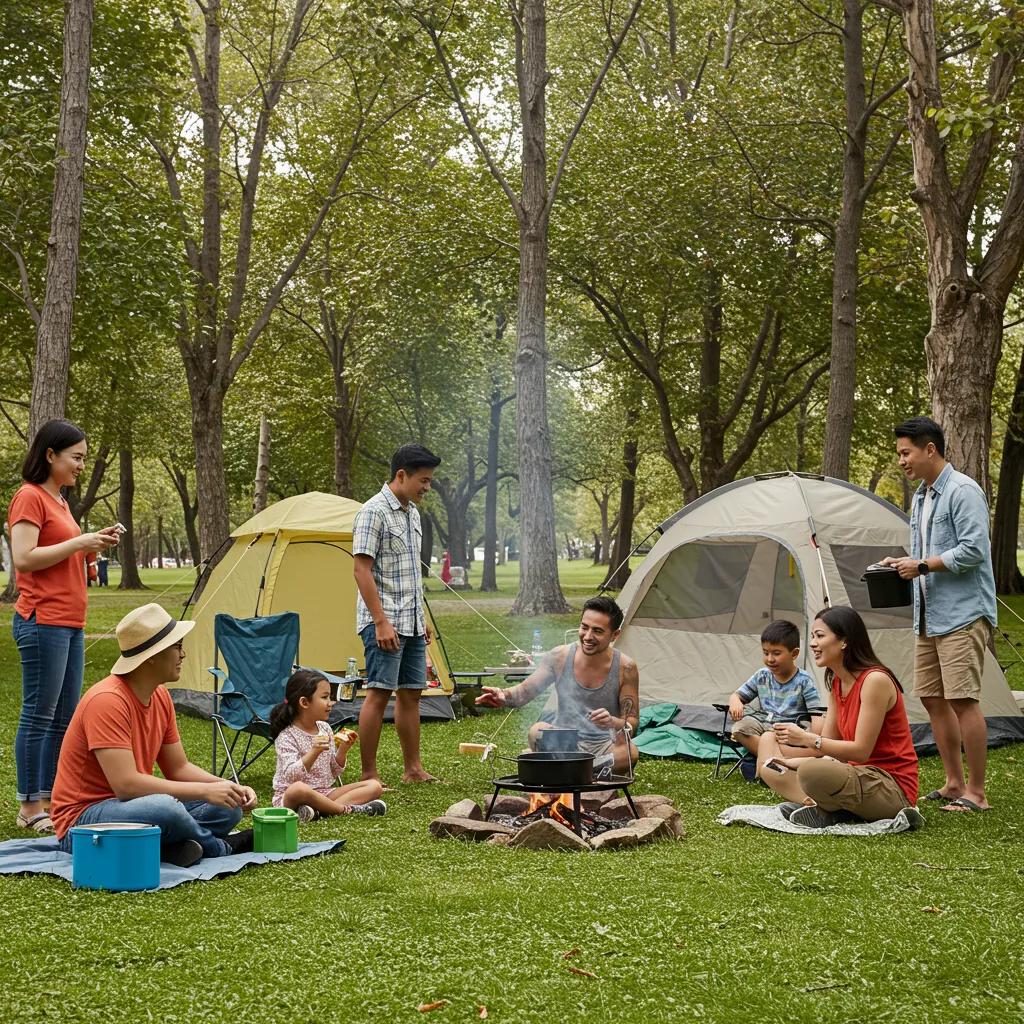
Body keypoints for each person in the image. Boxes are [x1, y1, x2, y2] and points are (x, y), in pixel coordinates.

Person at [50, 604, 259, 867]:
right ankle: (219, 848)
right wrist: (205, 792)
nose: (183, 654)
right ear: (151, 655)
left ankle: (171, 847)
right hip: (82, 824)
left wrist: (226, 787)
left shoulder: (159, 695)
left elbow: (178, 767)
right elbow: (125, 785)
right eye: (176, 647)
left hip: (130, 809)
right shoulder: (107, 701)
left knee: (227, 806)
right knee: (165, 808)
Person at [7, 419, 120, 834]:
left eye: (83, 458)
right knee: (40, 713)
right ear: (50, 455)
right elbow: (24, 558)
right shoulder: (29, 497)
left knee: (64, 717)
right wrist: (79, 542)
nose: (80, 466)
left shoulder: (61, 501)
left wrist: (92, 547)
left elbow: (60, 554)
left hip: (71, 622)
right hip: (42, 620)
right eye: (76, 457)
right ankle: (30, 804)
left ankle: (55, 798)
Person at [882, 416, 996, 813]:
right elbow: (924, 556)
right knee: (933, 697)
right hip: (929, 615)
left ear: (929, 449)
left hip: (962, 614)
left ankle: (977, 794)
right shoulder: (922, 496)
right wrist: (906, 562)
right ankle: (953, 783)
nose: (901, 460)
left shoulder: (963, 491)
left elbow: (974, 550)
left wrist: (924, 566)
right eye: (899, 453)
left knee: (963, 699)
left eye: (905, 452)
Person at [757, 606, 919, 828]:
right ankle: (825, 808)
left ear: (844, 641)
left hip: (889, 786)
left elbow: (861, 752)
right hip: (852, 776)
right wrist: (790, 762)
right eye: (812, 636)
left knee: (812, 772)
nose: (813, 643)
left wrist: (806, 739)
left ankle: (824, 807)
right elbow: (828, 749)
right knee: (771, 768)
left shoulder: (875, 680)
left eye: (820, 636)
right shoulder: (836, 682)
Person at [353, 443, 442, 784]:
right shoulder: (373, 512)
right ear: (401, 475)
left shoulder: (412, 513)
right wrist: (380, 621)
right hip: (384, 621)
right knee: (378, 691)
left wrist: (423, 620)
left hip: (411, 621)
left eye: (430, 481)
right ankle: (369, 775)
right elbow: (362, 570)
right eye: (423, 480)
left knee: (411, 693)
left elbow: (410, 572)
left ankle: (413, 770)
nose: (427, 487)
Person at [476, 596, 640, 775]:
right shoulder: (559, 657)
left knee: (630, 753)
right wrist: (503, 696)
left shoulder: (625, 667)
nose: (588, 636)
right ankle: (583, 770)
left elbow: (631, 720)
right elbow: (524, 692)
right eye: (584, 627)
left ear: (614, 635)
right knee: (536, 730)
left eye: (598, 631)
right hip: (561, 741)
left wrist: (612, 722)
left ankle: (572, 768)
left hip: (603, 745)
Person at [270, 670, 386, 820]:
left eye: (330, 697)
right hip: (293, 797)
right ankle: (347, 810)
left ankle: (318, 812)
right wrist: (314, 752)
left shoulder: (325, 728)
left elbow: (333, 772)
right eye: (324, 697)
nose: (331, 703)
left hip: (324, 793)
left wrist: (342, 751)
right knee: (298, 789)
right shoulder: (287, 735)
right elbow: (291, 776)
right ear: (304, 702)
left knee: (374, 786)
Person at [728, 619, 822, 757]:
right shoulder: (762, 676)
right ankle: (776, 757)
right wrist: (735, 702)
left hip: (788, 730)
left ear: (794, 654)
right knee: (740, 729)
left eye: (776, 653)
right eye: (765, 653)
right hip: (763, 724)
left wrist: (813, 738)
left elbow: (817, 715)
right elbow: (737, 695)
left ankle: (772, 757)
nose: (770, 659)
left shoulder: (804, 681)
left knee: (791, 735)